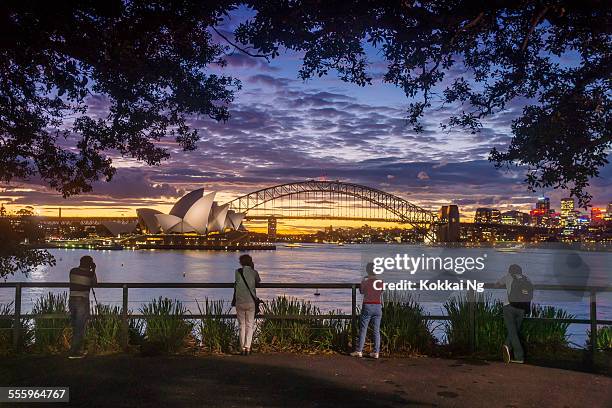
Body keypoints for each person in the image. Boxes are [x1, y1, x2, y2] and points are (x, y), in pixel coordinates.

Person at [496, 264, 533, 364]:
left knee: (512, 332)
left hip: (509, 307)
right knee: (514, 331)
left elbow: (497, 284)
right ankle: (506, 347)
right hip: (522, 308)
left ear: (510, 271)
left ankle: (519, 357)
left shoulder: (508, 277)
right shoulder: (527, 279)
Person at [351, 262, 383, 359]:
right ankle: (376, 352)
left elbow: (362, 291)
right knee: (376, 330)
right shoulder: (380, 282)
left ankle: (359, 350)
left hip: (368, 306)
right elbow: (381, 291)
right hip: (378, 307)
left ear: (367, 271)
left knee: (363, 329)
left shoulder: (365, 281)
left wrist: (363, 280)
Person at [68, 255, 97, 359]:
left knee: (75, 325)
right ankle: (75, 351)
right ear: (89, 264)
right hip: (82, 301)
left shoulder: (72, 271)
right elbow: (94, 283)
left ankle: (75, 349)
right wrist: (93, 270)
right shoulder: (89, 274)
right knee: (80, 326)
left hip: (72, 300)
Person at [233, 254, 261, 355]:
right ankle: (248, 348)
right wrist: (252, 269)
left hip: (240, 301)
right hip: (250, 302)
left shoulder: (237, 272)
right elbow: (258, 281)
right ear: (250, 262)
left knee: (242, 325)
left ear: (241, 262)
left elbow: (236, 282)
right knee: (250, 325)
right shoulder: (254, 272)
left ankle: (242, 348)